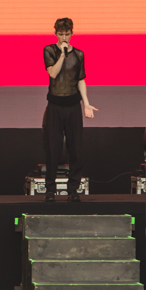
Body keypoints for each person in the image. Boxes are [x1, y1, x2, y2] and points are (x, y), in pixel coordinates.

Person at [42, 18, 96, 201]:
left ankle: (73, 189)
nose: (64, 37)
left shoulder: (79, 54)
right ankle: (50, 190)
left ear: (72, 33)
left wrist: (86, 103)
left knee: (76, 149)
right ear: (55, 33)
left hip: (73, 106)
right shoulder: (49, 50)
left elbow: (80, 79)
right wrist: (63, 55)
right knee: (52, 149)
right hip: (55, 106)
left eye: (67, 34)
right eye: (61, 34)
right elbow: (53, 73)